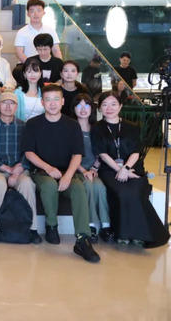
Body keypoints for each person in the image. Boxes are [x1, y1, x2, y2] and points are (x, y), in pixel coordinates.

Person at [23, 85, 100, 262]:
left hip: (67, 172)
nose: (52, 103)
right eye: (48, 100)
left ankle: (83, 239)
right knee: (50, 185)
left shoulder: (72, 125)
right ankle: (51, 226)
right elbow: (29, 153)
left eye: (56, 99)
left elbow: (77, 154)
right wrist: (48, 168)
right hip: (41, 171)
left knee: (78, 188)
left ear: (63, 101)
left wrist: (68, 175)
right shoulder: (33, 124)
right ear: (42, 102)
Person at [92, 91, 170, 248]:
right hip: (109, 170)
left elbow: (136, 151)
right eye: (105, 104)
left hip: (134, 168)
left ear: (120, 106)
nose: (109, 108)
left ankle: (140, 235)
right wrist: (119, 170)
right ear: (99, 108)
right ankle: (123, 234)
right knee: (122, 192)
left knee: (136, 192)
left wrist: (126, 168)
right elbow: (103, 154)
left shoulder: (132, 127)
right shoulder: (97, 128)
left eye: (113, 104)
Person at [0, 91, 41, 244]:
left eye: (12, 103)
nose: (8, 106)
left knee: (27, 183)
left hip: (19, 169)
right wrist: (8, 170)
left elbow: (29, 152)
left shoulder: (24, 126)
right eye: (4, 102)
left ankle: (32, 229)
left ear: (16, 107)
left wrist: (18, 169)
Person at [72, 93, 111, 243]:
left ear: (92, 108)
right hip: (76, 169)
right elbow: (68, 154)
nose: (83, 109)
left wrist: (94, 168)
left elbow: (102, 153)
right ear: (74, 109)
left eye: (86, 105)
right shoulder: (70, 128)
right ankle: (91, 225)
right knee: (88, 186)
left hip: (94, 169)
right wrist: (83, 170)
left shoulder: (97, 129)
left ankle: (106, 225)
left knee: (100, 187)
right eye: (79, 106)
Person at [14, 0, 62, 64]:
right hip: (27, 66)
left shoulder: (51, 31)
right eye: (32, 11)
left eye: (39, 11)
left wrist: (60, 65)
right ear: (28, 14)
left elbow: (56, 50)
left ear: (43, 13)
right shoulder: (21, 32)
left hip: (47, 65)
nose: (36, 14)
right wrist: (31, 66)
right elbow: (19, 53)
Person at [13, 57, 45, 122]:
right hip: (22, 126)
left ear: (40, 73)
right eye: (29, 71)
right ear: (24, 74)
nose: (32, 75)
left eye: (36, 71)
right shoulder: (17, 93)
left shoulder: (45, 93)